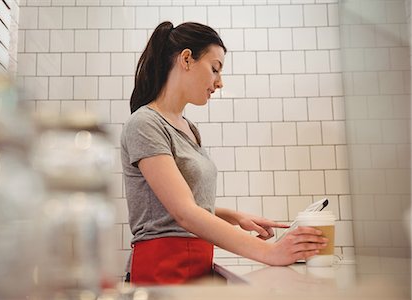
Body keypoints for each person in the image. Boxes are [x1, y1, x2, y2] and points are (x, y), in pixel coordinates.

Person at [120, 21, 327, 285]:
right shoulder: (145, 124)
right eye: (215, 69)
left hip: (198, 262)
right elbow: (183, 212)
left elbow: (176, 203)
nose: (219, 82)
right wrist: (270, 252)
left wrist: (235, 217)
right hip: (161, 268)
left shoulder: (189, 128)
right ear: (186, 59)